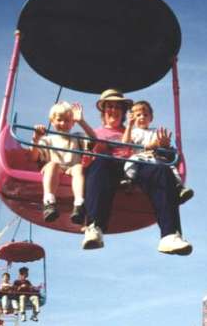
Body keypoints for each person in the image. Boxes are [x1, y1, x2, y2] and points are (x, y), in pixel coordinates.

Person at [83, 88, 192, 255]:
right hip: (108, 167)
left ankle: (170, 235)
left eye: (118, 107)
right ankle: (94, 226)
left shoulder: (136, 132)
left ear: (125, 112)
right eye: (109, 106)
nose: (113, 110)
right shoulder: (96, 133)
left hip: (133, 164)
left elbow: (151, 150)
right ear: (103, 111)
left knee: (160, 169)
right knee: (102, 161)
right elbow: (89, 152)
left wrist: (163, 146)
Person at [30, 101, 96, 224]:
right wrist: (36, 139)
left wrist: (81, 121)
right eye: (59, 120)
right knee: (52, 165)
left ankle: (79, 204)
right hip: (55, 169)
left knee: (78, 168)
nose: (63, 123)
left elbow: (93, 139)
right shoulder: (47, 139)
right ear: (52, 121)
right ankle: (49, 202)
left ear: (72, 123)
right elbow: (34, 157)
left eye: (67, 120)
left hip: (71, 168)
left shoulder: (77, 137)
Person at [121, 100, 194, 204]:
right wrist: (129, 126)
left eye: (145, 115)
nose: (142, 117)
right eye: (138, 115)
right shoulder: (134, 132)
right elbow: (125, 143)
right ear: (133, 118)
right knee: (131, 161)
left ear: (151, 118)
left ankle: (179, 187)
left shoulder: (155, 131)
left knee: (170, 167)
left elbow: (159, 143)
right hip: (140, 157)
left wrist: (163, 144)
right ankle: (129, 180)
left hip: (154, 157)